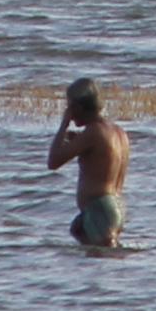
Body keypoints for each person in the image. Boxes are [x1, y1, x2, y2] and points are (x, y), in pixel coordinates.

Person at [44, 75, 129, 252]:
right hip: (115, 206)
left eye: (70, 106)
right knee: (81, 238)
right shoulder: (118, 132)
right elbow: (101, 156)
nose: (69, 111)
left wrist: (63, 125)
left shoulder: (93, 133)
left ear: (78, 107)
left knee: (102, 269)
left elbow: (53, 161)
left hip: (100, 208)